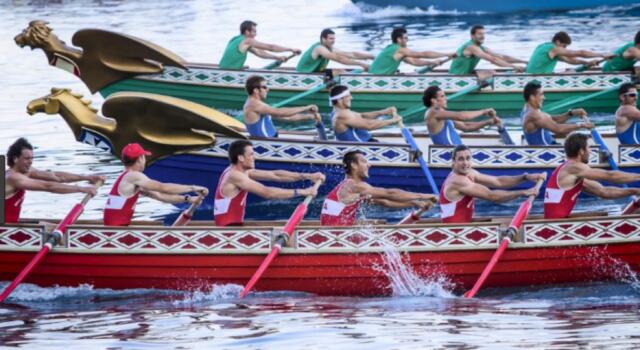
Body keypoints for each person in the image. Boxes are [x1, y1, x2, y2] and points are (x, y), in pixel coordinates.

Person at [214, 140, 325, 226]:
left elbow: (275, 175)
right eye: (251, 154)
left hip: (234, 227)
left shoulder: (243, 172)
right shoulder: (234, 175)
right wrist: (303, 192)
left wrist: (309, 176)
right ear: (241, 158)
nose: (254, 158)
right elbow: (267, 192)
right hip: (228, 231)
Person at [320, 150, 436, 226]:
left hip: (334, 235)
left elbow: (385, 202)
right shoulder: (353, 185)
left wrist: (415, 203)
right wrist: (426, 195)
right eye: (364, 161)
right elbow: (390, 193)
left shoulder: (349, 187)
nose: (369, 165)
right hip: (337, 238)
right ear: (354, 165)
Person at [103, 143, 208, 226]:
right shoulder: (133, 176)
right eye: (144, 157)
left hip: (116, 227)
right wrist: (192, 187)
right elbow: (162, 188)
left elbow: (160, 196)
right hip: (116, 230)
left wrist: (188, 199)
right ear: (140, 159)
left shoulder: (127, 178)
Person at [4, 138, 102, 223]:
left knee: (48, 226)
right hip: (4, 230)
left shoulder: (27, 171)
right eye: (27, 158)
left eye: (32, 158)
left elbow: (56, 177)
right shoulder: (12, 177)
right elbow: (47, 186)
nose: (30, 162)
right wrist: (81, 189)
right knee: (49, 228)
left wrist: (86, 177)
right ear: (15, 159)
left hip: (10, 225)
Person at [544, 132, 640, 219]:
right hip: (557, 227)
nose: (590, 151)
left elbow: (603, 191)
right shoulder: (573, 167)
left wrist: (633, 191)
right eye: (588, 147)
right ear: (581, 151)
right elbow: (610, 175)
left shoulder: (569, 172)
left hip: (556, 222)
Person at [440, 145, 545, 224]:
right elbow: (492, 196)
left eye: (468, 158)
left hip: (464, 228)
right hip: (455, 233)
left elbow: (498, 181)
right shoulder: (457, 181)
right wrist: (522, 192)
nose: (466, 163)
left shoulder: (469, 172)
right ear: (453, 161)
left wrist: (525, 177)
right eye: (461, 159)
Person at [243, 75, 321, 138]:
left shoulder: (259, 105)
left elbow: (288, 117)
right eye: (264, 87)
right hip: (267, 145)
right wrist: (306, 107)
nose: (268, 89)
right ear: (256, 90)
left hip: (272, 140)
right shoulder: (253, 104)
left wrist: (311, 116)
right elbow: (280, 112)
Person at [423, 86, 502, 145]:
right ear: (433, 100)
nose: (446, 98)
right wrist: (483, 111)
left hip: (456, 153)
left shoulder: (442, 114)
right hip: (447, 156)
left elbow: (465, 126)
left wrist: (488, 122)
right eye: (442, 96)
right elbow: (461, 116)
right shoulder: (432, 113)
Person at [521, 81, 594, 145]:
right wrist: (581, 125)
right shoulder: (533, 114)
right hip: (548, 153)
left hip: (551, 146)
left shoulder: (527, 108)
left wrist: (571, 113)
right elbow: (558, 129)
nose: (544, 98)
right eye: (541, 94)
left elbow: (553, 119)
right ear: (532, 97)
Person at [330, 85, 402, 142]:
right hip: (360, 150)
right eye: (348, 96)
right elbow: (369, 126)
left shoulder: (339, 111)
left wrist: (383, 112)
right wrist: (392, 121)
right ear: (339, 100)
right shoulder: (342, 114)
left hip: (367, 144)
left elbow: (362, 116)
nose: (351, 98)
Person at [368, 27, 455, 75]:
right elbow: (422, 54)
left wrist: (431, 62)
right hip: (375, 79)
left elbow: (414, 61)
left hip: (376, 77)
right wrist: (447, 54)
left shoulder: (393, 49)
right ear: (399, 39)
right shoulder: (398, 49)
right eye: (405, 38)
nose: (408, 40)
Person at [219, 20, 301, 70]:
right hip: (229, 73)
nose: (256, 34)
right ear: (247, 32)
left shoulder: (235, 39)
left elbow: (259, 53)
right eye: (254, 31)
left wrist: (277, 57)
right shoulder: (247, 40)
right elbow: (270, 47)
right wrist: (291, 49)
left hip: (224, 69)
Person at [449, 25, 526, 75]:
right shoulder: (471, 47)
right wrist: (514, 67)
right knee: (492, 74)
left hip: (466, 74)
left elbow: (502, 57)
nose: (483, 36)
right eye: (479, 34)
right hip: (456, 76)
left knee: (492, 72)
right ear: (472, 36)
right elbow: (493, 60)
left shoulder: (482, 48)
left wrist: (524, 62)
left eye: (483, 34)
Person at [525, 31, 612, 74]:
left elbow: (570, 60)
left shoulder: (544, 47)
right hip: (536, 82)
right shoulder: (554, 48)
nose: (565, 49)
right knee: (569, 72)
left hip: (535, 78)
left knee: (570, 71)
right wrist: (602, 55)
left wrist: (587, 63)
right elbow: (580, 53)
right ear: (558, 42)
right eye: (564, 46)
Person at [296, 28, 373, 73]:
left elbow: (351, 54)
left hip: (316, 72)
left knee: (342, 71)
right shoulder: (319, 48)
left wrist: (372, 57)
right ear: (323, 39)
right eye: (331, 39)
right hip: (304, 74)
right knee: (340, 72)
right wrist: (361, 64)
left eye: (334, 38)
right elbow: (339, 59)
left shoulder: (330, 48)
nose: (333, 41)